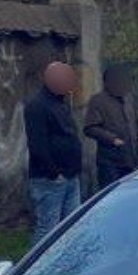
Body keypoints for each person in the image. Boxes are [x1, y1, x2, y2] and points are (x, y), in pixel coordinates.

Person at [23, 62, 82, 242]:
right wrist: (54, 173)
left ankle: (69, 263)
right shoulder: (37, 106)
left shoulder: (61, 103)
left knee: (73, 226)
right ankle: (37, 268)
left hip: (71, 176)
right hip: (50, 180)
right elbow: (37, 145)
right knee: (47, 230)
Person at [83, 66, 138, 191]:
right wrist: (112, 139)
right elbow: (90, 128)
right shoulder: (98, 101)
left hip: (130, 158)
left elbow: (135, 119)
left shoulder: (129, 98)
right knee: (110, 193)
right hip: (110, 162)